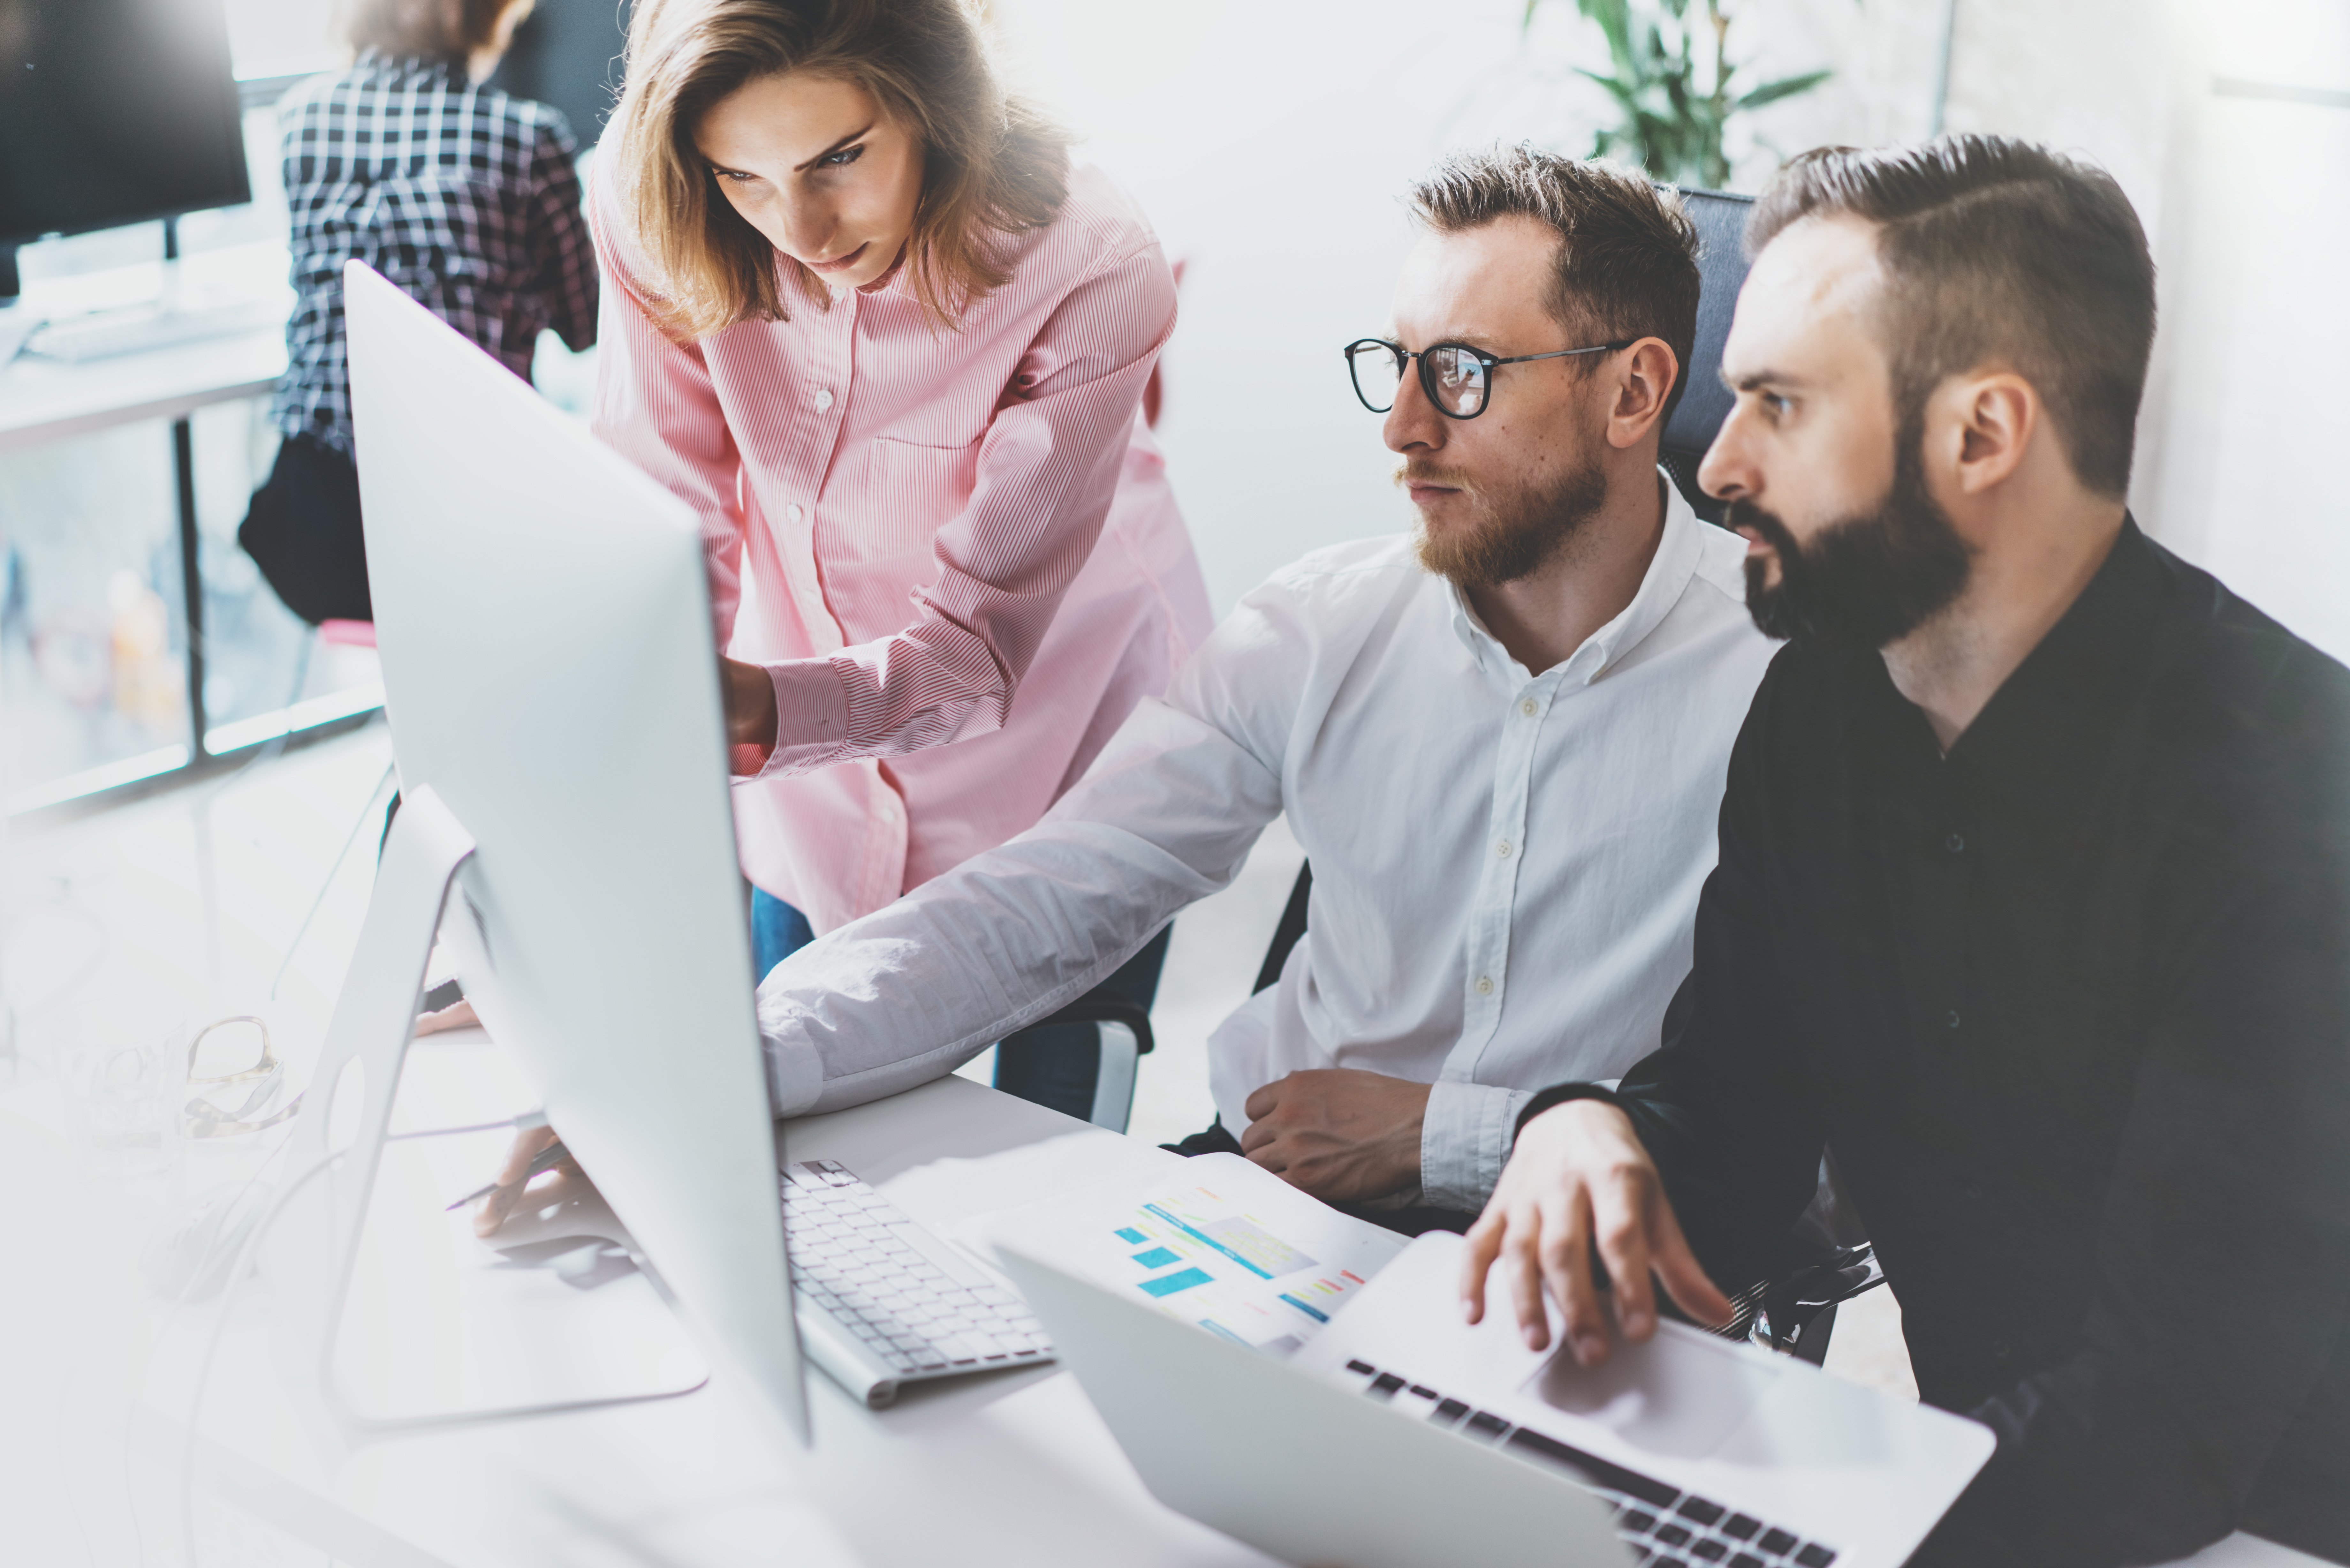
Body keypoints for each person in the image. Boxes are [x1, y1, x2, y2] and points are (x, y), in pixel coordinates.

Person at [477, 147, 1778, 1237]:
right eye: (1398, 364)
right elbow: (1043, 900)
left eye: (1465, 376)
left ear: (1634, 391)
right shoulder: (1321, 627)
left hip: (1585, 1252)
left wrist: (1449, 1137)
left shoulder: (1786, 694)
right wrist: (704, 1071)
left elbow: (1818, 1138)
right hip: (1263, 1203)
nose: (1400, 429)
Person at [1460, 136, 2350, 1566]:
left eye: (1781, 406)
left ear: (1982, 436)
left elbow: (2170, 1423)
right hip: (1982, 1492)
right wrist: (1592, 1129)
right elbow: (1739, 1121)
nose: (1719, 460)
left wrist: (1784, 1523)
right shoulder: (1823, 698)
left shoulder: (2300, 793)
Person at [587, 0, 1211, 1119]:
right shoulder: (656, 207)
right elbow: (663, 501)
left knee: (1046, 1138)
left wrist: (758, 709)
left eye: (841, 158)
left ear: (936, 99)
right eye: (745, 176)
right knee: (790, 1128)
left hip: (1064, 742)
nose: (803, 231)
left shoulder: (1090, 262)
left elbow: (973, 652)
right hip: (804, 781)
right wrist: (649, 707)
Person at [242, 0, 597, 625]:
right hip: (470, 529)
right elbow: (584, 325)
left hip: (317, 528)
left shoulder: (300, 117)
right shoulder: (526, 137)